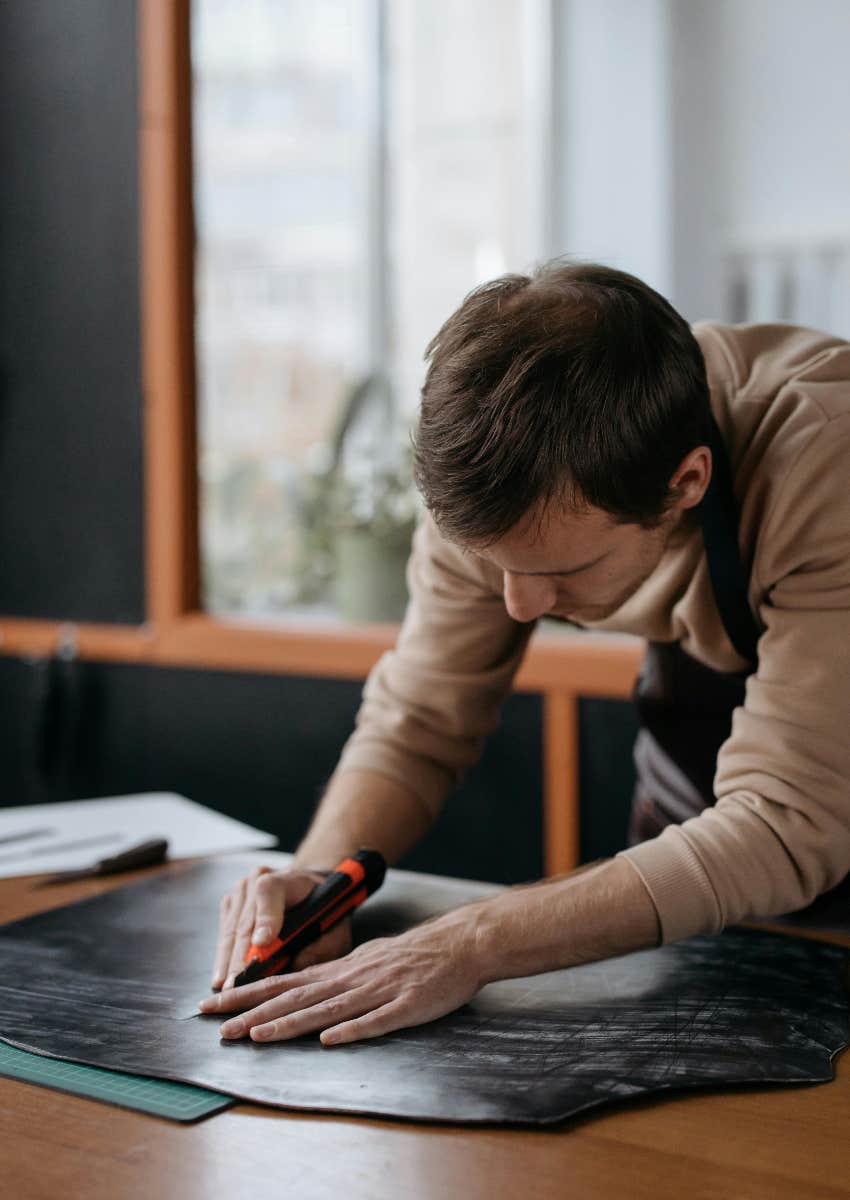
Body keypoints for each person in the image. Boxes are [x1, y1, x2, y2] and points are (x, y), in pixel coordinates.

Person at [199, 261, 850, 1048]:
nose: (518, 605)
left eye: (557, 573)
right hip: (702, 847)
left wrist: (469, 942)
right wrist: (316, 884)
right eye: (497, 567)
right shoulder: (494, 481)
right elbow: (419, 723)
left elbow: (787, 823)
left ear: (686, 483)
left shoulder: (824, 458)